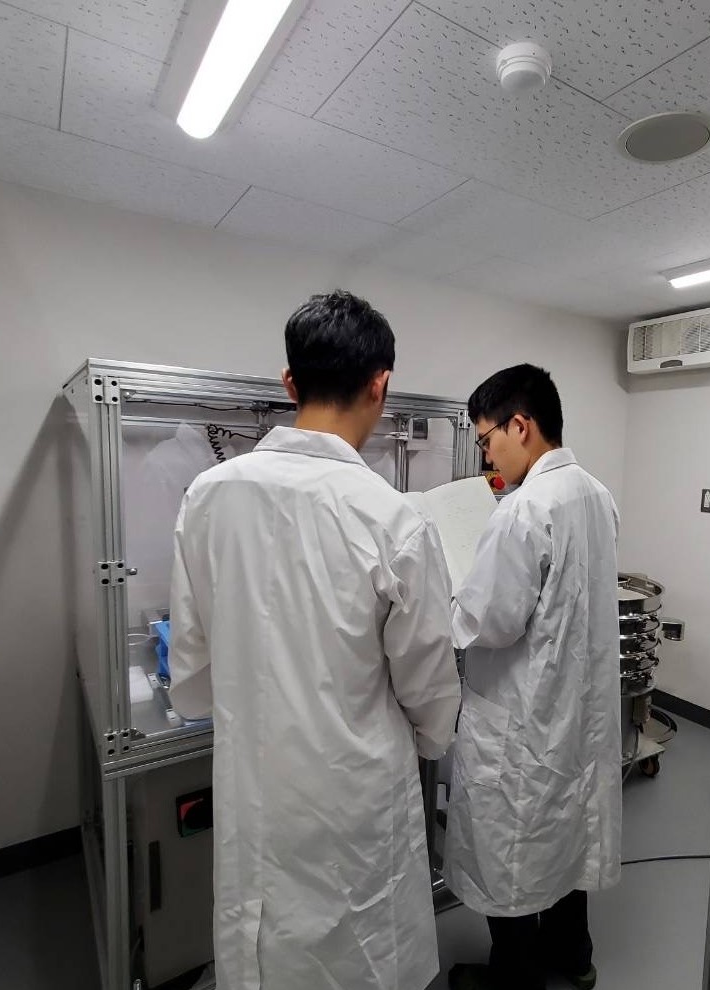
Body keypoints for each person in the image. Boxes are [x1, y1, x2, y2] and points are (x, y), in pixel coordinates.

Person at [167, 290, 462, 990]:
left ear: (289, 383)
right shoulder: (394, 518)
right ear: (381, 384)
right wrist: (430, 739)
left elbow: (193, 680)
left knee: (265, 953)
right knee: (364, 954)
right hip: (356, 795)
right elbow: (428, 687)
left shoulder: (208, 496)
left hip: (256, 787)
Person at [442, 364, 622, 990]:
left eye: (486, 438)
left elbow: (491, 621)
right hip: (576, 706)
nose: (486, 455)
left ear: (520, 426)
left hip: (522, 714)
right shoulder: (596, 494)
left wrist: (449, 598)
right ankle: (572, 956)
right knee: (567, 829)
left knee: (511, 844)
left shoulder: (523, 509)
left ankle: (514, 978)